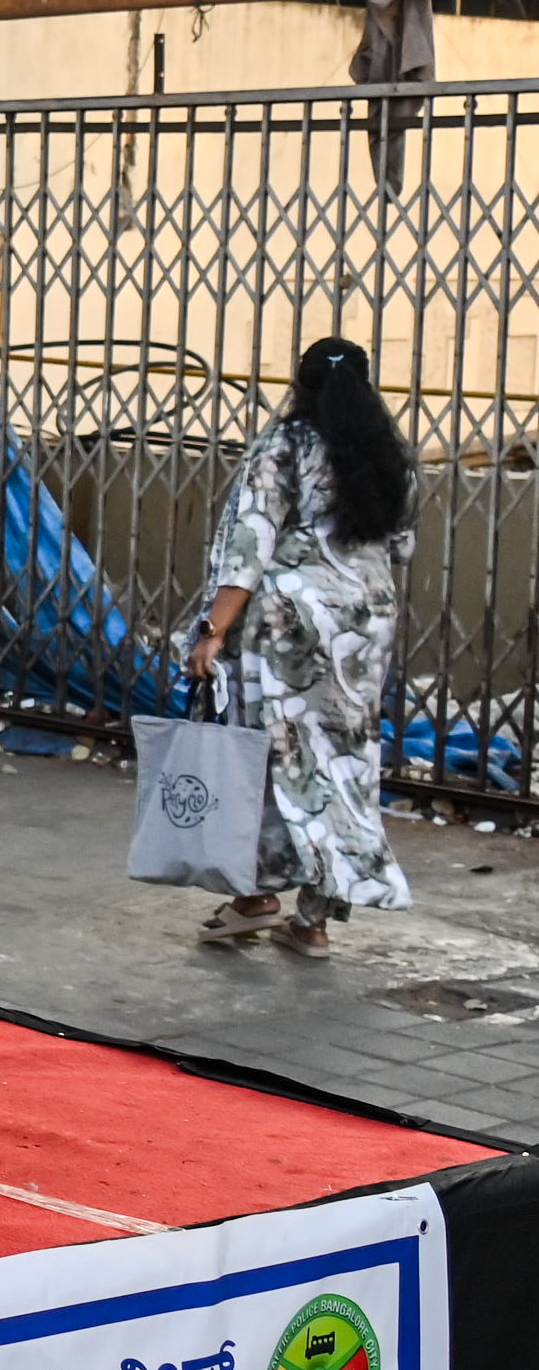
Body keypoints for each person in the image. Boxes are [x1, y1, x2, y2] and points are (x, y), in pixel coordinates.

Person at [188, 336, 420, 959]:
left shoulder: (283, 447)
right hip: (366, 621)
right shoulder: (389, 454)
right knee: (345, 763)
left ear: (302, 382)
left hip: (290, 622)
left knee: (276, 758)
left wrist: (213, 631)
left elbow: (251, 543)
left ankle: (255, 896)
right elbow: (399, 545)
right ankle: (314, 922)